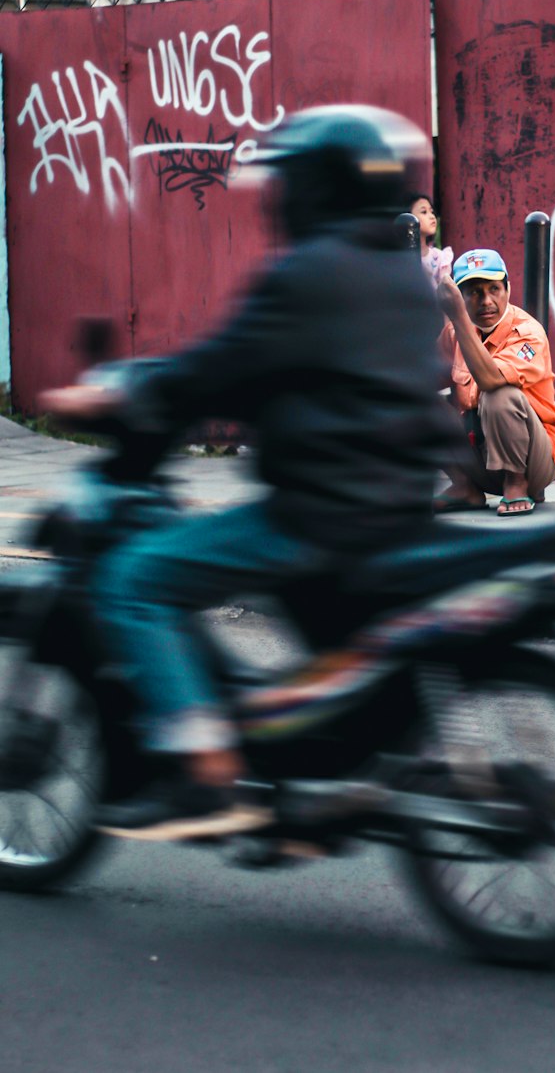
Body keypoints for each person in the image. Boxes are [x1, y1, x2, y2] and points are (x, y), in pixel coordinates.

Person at [42, 106, 462, 841]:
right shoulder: (399, 272)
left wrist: (127, 391)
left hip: (317, 512)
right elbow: (295, 371)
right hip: (397, 503)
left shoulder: (306, 272)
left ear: (310, 189)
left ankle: (202, 774)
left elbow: (217, 367)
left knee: (133, 580)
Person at [436, 248, 555, 518]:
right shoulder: (455, 332)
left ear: (508, 289)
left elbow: (490, 380)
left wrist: (459, 316)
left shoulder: (527, 332)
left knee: (499, 394)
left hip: (535, 462)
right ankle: (464, 487)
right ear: (461, 298)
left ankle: (517, 483)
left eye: (494, 289)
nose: (486, 300)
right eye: (474, 292)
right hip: (480, 457)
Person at [409, 192, 453, 285]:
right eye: (424, 212)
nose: (432, 217)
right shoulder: (399, 257)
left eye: (432, 212)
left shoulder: (440, 258)